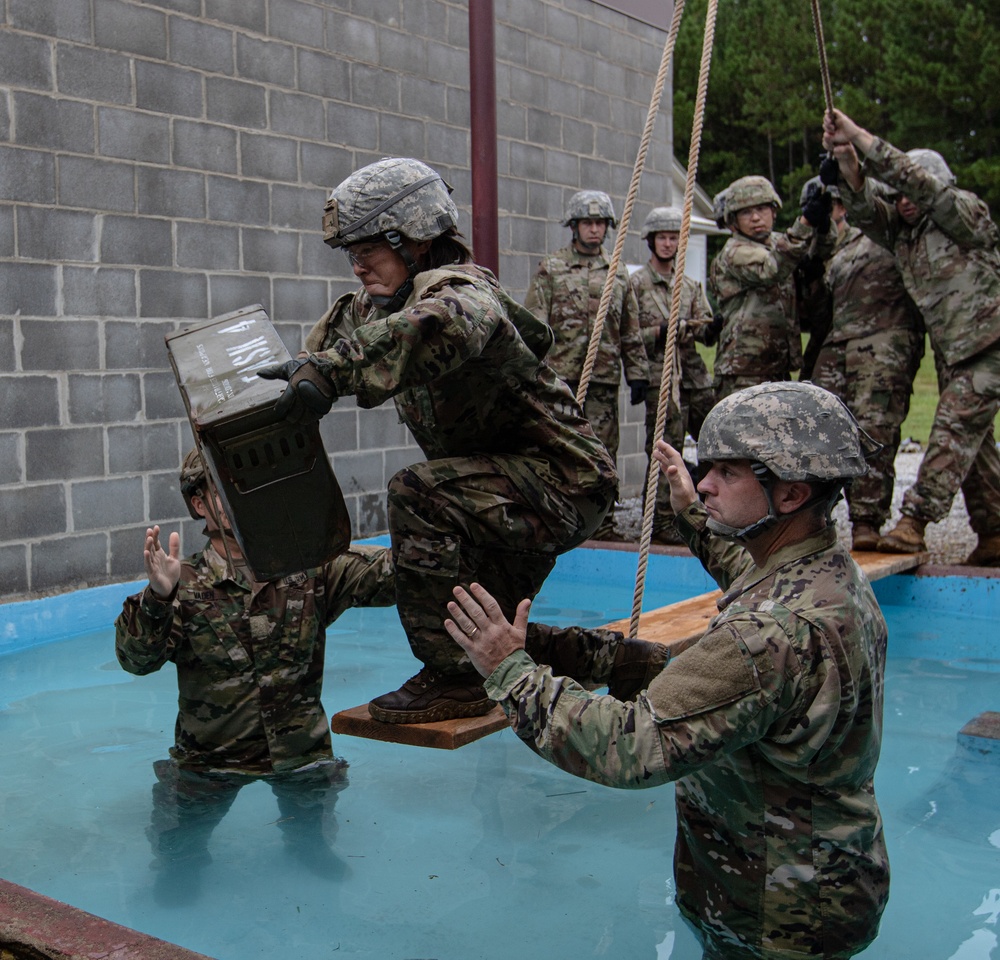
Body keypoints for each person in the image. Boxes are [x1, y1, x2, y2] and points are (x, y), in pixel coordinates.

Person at [444, 381, 890, 960]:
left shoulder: (765, 636)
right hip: (829, 877)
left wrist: (510, 671)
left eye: (727, 474)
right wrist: (691, 513)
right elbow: (750, 571)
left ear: (791, 493)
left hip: (774, 913)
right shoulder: (833, 576)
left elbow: (629, 749)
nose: (705, 483)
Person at [259, 158, 617, 724]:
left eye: (366, 251)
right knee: (485, 629)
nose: (356, 267)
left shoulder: (462, 293)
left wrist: (334, 372)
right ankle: (631, 664)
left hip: (562, 487)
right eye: (349, 254)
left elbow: (442, 323)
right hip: (496, 496)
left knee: (415, 492)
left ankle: (448, 680)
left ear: (411, 241)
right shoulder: (373, 308)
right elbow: (305, 362)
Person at [114, 449, 396, 902]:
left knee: (313, 837)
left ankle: (307, 850)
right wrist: (158, 599)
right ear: (200, 504)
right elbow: (134, 659)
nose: (239, 495)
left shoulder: (308, 566)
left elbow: (392, 575)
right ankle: (180, 870)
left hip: (300, 752)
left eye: (243, 483)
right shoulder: (180, 581)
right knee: (176, 861)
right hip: (209, 758)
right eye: (222, 487)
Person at [822, 109, 1000, 563]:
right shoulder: (905, 235)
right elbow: (863, 210)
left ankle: (914, 521)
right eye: (895, 195)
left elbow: (919, 183)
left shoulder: (964, 214)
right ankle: (995, 531)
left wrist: (859, 137)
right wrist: (847, 164)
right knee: (974, 444)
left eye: (909, 192)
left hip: (989, 342)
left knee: (953, 430)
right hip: (955, 350)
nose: (903, 200)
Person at [523, 189, 649, 540]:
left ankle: (603, 524)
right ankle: (559, 519)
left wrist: (638, 373)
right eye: (587, 223)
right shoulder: (553, 267)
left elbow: (630, 328)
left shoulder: (617, 272)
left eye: (600, 223)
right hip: (559, 382)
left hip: (603, 381)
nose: (594, 230)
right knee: (557, 448)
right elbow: (534, 324)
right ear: (574, 227)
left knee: (603, 453)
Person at [808, 178, 925, 549]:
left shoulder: (893, 230)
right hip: (839, 342)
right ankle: (811, 521)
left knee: (873, 431)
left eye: (844, 202)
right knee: (817, 429)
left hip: (885, 338)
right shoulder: (843, 242)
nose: (840, 209)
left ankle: (866, 522)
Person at [631, 205, 716, 544]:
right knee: (666, 448)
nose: (667, 244)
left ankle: (713, 508)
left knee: (714, 443)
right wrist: (661, 332)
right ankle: (661, 520)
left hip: (694, 377)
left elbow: (704, 324)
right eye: (662, 238)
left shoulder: (690, 286)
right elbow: (629, 331)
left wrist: (709, 329)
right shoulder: (636, 284)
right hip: (660, 379)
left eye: (673, 238)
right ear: (651, 241)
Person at [709, 175, 833, 399]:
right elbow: (772, 268)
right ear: (733, 220)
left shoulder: (778, 242)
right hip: (743, 370)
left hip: (777, 366)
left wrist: (823, 226)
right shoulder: (734, 251)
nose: (756, 218)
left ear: (774, 212)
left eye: (762, 209)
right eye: (746, 212)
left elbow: (816, 253)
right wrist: (805, 222)